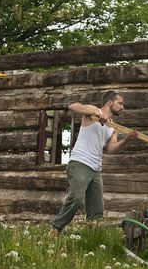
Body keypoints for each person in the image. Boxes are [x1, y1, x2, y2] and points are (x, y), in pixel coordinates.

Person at [49, 91, 137, 238]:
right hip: (80, 162)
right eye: (120, 103)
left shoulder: (113, 127)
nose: (123, 107)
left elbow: (111, 149)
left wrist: (127, 140)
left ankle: (92, 239)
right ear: (110, 102)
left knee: (96, 209)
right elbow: (73, 106)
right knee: (76, 198)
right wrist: (94, 113)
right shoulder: (94, 112)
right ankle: (56, 230)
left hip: (96, 169)